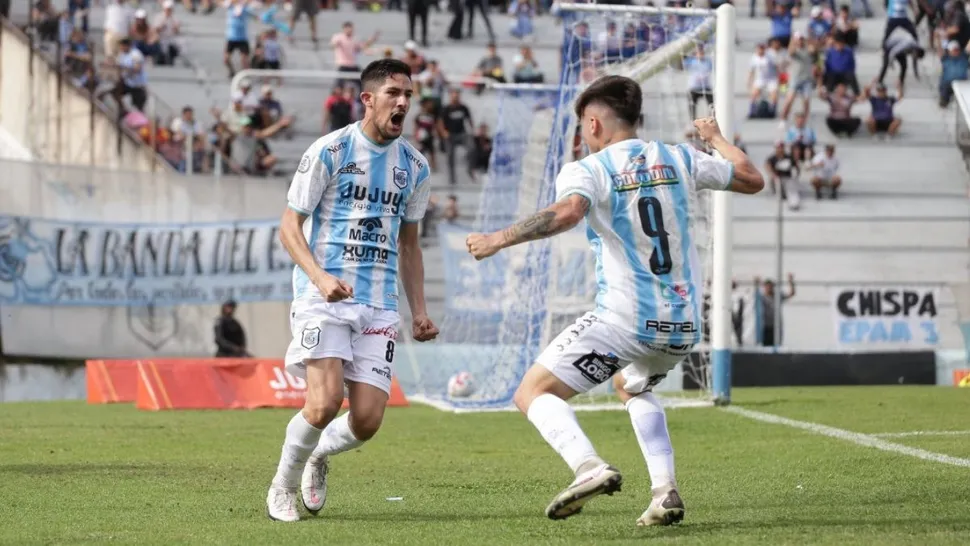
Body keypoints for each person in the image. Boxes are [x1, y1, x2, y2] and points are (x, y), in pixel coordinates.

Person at [464, 75, 764, 525]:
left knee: (532, 392)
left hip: (626, 321)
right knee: (630, 385)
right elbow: (752, 179)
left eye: (583, 127)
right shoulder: (681, 157)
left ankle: (589, 467)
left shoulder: (589, 168)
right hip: (683, 325)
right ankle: (664, 492)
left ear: (593, 124)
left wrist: (497, 239)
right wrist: (717, 139)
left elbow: (569, 212)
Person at [266, 59, 439, 523]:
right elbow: (289, 227)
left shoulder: (415, 167)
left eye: (408, 94)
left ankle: (318, 454)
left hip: (379, 303)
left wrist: (419, 310)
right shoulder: (331, 150)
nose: (403, 102)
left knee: (366, 421)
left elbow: (410, 245)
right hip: (323, 297)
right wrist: (320, 278)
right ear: (368, 99)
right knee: (323, 403)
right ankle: (282, 487)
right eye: (393, 93)